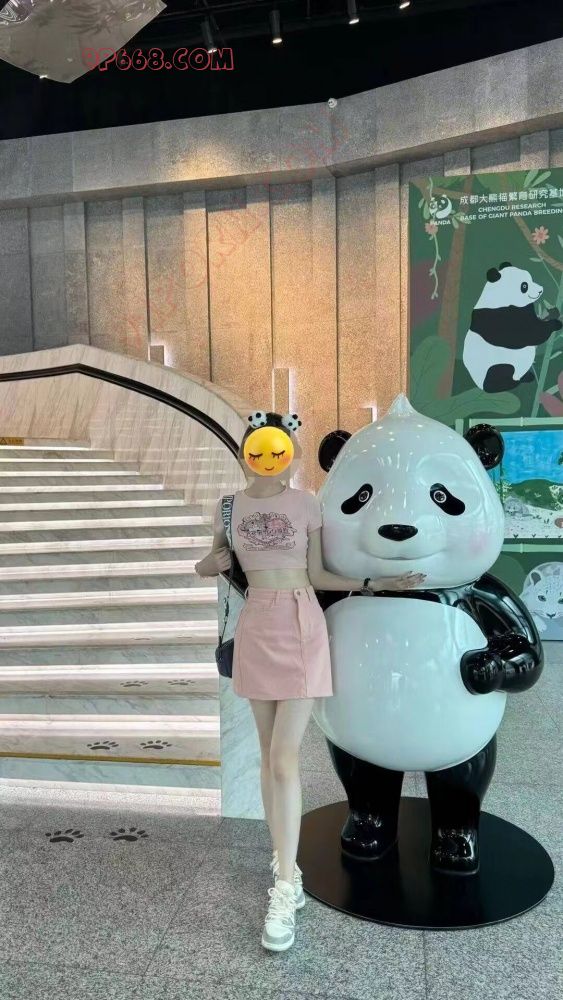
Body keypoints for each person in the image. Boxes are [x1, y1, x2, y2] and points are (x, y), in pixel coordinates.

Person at [195, 410, 424, 953]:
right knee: (267, 757)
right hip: (256, 623)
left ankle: (284, 885)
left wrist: (377, 583)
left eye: (279, 446)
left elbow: (318, 574)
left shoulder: (306, 504)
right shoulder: (227, 506)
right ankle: (285, 864)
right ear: (247, 451)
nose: (270, 456)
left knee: (283, 758)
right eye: (260, 446)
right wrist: (213, 561)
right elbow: (207, 566)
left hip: (300, 621)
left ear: (291, 452)